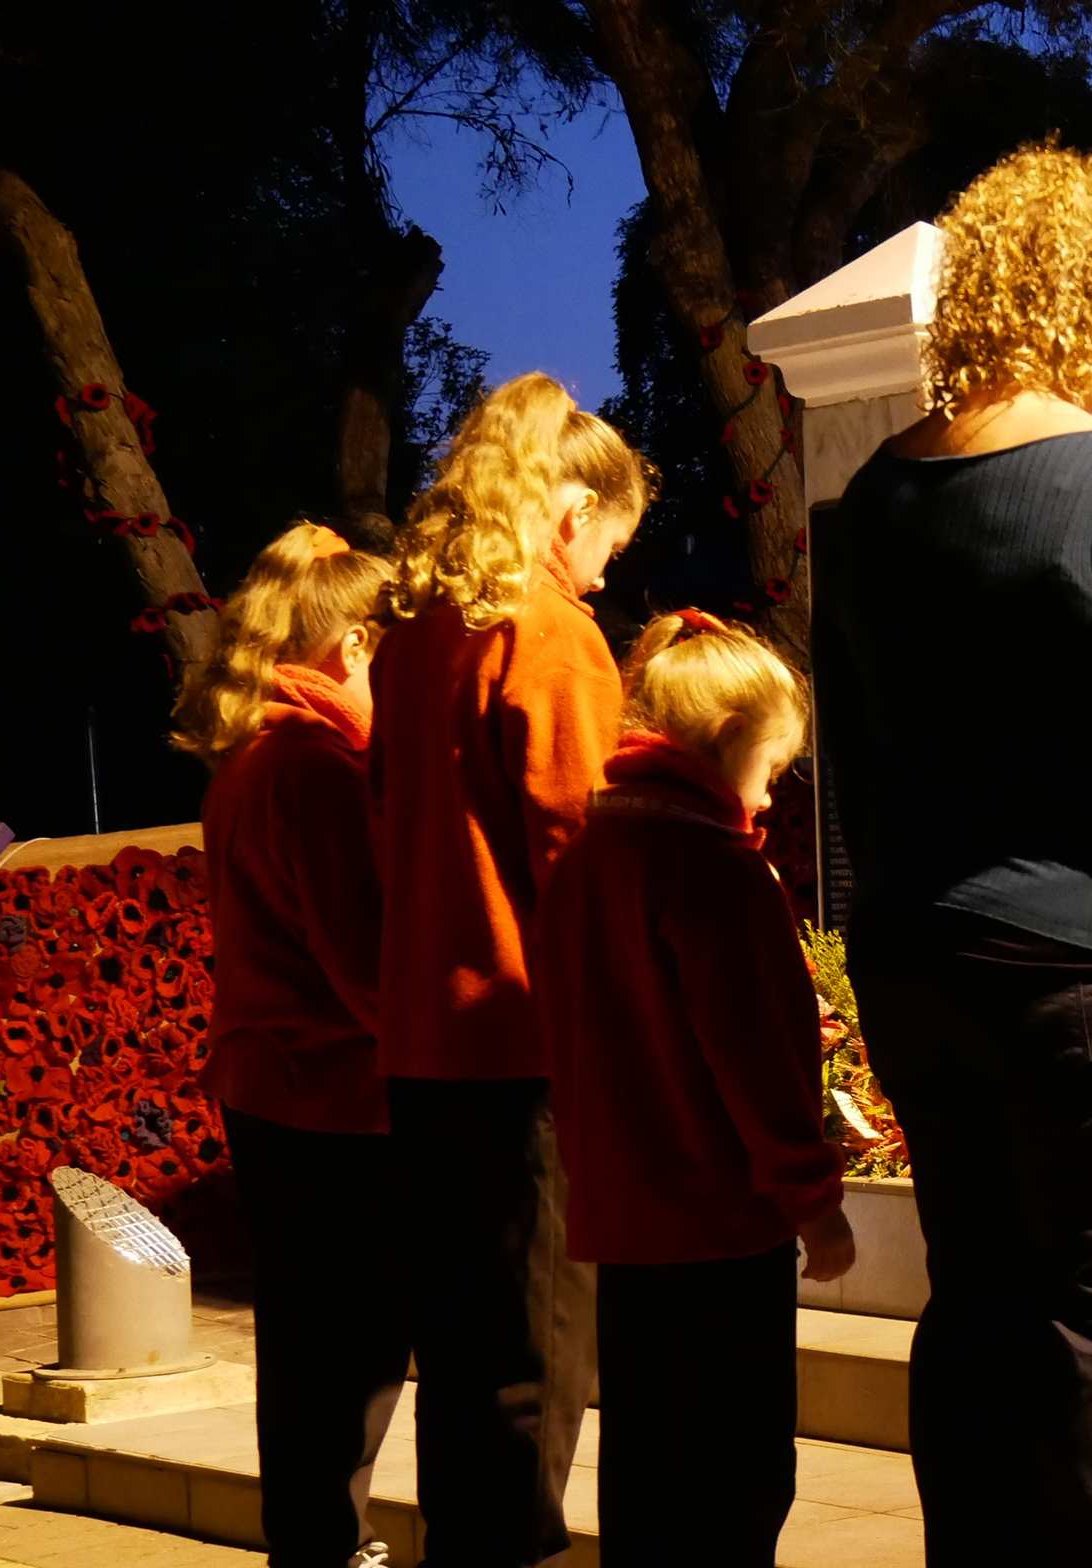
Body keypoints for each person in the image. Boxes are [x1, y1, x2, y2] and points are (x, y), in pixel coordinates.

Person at [811, 143, 1092, 1568]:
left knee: (977, 1312)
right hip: (1091, 982)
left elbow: (857, 754)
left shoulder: (875, 500)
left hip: (921, 968)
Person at [368, 372, 653, 1566]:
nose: (603, 576)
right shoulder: (549, 637)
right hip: (529, 1046)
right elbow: (582, 862)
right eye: (607, 545)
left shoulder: (419, 636)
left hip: (425, 1044)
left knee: (466, 1360)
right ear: (569, 510)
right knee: (538, 1363)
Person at [537, 608, 857, 1568]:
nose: (770, 794)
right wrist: (816, 1205)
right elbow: (754, 1059)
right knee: (737, 1476)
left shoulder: (586, 860)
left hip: (624, 1226)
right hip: (721, 1223)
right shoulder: (717, 873)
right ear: (726, 747)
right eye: (770, 767)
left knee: (649, 1470)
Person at [172, 521, 407, 1568]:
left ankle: (316, 1537)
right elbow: (364, 960)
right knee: (346, 1344)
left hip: (278, 1084)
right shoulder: (315, 766)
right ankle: (328, 1540)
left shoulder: (255, 754)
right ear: (352, 645)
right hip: (334, 1092)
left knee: (312, 1339)